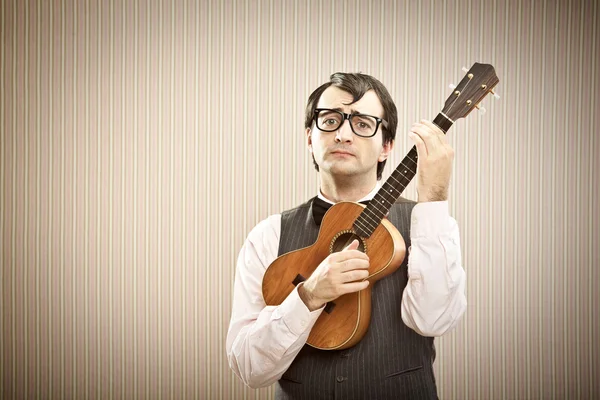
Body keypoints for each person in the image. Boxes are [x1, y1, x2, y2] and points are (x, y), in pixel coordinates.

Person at [226, 72, 466, 399]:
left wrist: (434, 195)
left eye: (363, 123)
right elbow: (249, 369)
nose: (342, 134)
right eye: (330, 120)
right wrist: (307, 296)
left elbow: (434, 321)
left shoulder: (426, 220)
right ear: (309, 137)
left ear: (387, 146)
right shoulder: (269, 235)